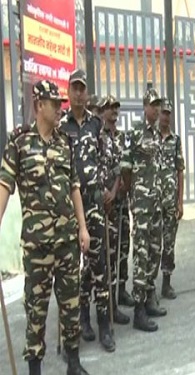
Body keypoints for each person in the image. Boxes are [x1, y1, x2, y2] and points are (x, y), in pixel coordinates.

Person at [0, 80, 90, 374]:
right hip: (37, 247)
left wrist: (83, 228)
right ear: (39, 106)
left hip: (66, 243)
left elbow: (74, 187)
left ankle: (73, 363)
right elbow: (4, 186)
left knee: (71, 304)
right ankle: (35, 368)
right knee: (36, 310)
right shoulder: (19, 142)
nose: (60, 109)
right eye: (55, 104)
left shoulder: (65, 143)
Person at [60, 69, 115, 352]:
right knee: (74, 269)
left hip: (94, 204)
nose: (79, 93)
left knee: (99, 266)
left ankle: (104, 324)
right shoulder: (61, 127)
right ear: (68, 93)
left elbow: (105, 159)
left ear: (87, 93)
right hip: (70, 207)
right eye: (75, 88)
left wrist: (107, 188)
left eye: (83, 88)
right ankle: (82, 318)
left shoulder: (96, 125)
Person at [121, 88, 166, 332]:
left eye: (159, 105)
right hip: (141, 204)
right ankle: (138, 310)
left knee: (154, 251)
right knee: (141, 254)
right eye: (153, 105)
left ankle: (149, 298)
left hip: (156, 203)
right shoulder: (134, 132)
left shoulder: (157, 134)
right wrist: (133, 195)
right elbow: (126, 167)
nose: (157, 109)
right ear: (144, 107)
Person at [98, 95, 131, 324]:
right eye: (110, 108)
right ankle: (108, 304)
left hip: (121, 201)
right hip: (104, 204)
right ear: (102, 111)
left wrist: (122, 187)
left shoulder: (122, 138)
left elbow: (124, 166)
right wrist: (106, 192)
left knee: (122, 248)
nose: (114, 111)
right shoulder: (97, 137)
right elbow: (94, 168)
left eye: (116, 107)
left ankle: (121, 291)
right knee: (107, 254)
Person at [159, 101, 185, 299]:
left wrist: (180, 201)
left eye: (168, 113)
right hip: (152, 201)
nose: (166, 117)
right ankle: (149, 287)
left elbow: (180, 171)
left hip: (170, 202)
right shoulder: (150, 138)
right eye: (163, 113)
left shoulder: (175, 140)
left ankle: (166, 284)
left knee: (169, 244)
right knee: (151, 246)